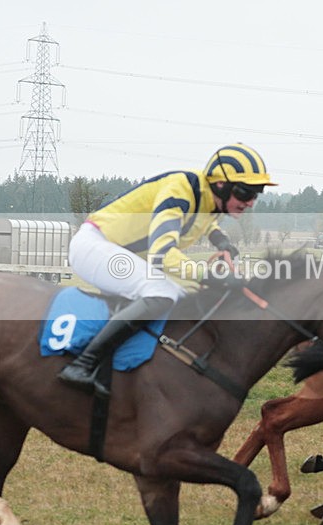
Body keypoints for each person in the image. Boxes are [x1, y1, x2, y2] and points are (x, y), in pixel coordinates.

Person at [58, 143, 277, 394]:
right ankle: (82, 365)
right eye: (245, 192)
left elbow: (203, 221)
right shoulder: (180, 191)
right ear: (221, 185)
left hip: (120, 251)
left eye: (256, 194)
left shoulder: (208, 197)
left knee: (182, 298)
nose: (250, 202)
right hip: (95, 245)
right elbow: (162, 255)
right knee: (163, 293)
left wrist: (220, 239)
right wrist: (213, 276)